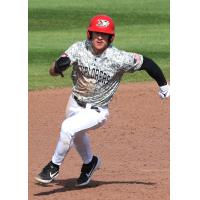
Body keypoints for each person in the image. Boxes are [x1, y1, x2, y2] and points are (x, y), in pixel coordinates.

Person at [35, 14, 170, 187]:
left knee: (68, 127)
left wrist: (163, 86)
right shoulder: (78, 48)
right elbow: (53, 71)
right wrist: (56, 66)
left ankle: (53, 167)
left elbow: (147, 63)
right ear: (89, 34)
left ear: (110, 37)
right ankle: (90, 163)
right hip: (74, 102)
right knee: (76, 134)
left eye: (104, 34)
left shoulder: (119, 58)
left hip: (97, 111)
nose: (100, 37)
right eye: (96, 33)